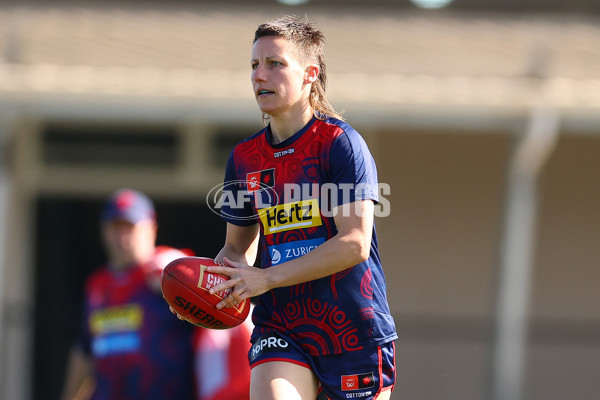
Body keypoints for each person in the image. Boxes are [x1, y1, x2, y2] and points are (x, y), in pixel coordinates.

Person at [203, 15, 398, 400]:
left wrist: (267, 278)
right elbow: (237, 251)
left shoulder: (340, 144)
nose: (260, 75)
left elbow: (355, 243)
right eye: (254, 65)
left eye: (275, 64)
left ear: (310, 73)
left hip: (352, 330)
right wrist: (205, 287)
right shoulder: (244, 158)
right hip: (281, 326)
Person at [61, 188, 252, 400]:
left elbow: (218, 307)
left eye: (130, 227)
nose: (122, 236)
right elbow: (85, 350)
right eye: (116, 227)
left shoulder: (170, 276)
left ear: (151, 229)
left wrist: (174, 269)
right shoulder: (97, 285)